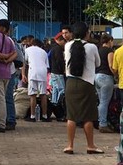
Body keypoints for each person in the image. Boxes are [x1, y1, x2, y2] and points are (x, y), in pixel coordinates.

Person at [62, 22, 103, 155]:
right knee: (88, 116)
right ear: (87, 33)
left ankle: (70, 145)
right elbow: (98, 63)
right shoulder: (92, 47)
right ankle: (90, 146)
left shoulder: (67, 45)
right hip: (86, 84)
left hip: (70, 83)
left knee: (71, 116)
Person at [23, 37, 50, 122]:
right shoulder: (44, 52)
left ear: (32, 44)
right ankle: (45, 116)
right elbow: (47, 66)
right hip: (43, 73)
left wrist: (23, 74)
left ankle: (32, 116)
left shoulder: (27, 50)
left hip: (33, 73)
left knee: (33, 95)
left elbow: (24, 63)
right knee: (43, 95)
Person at [95, 33, 117, 132]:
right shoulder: (109, 51)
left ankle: (100, 121)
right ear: (109, 41)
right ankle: (103, 124)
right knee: (104, 102)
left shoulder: (98, 50)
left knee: (101, 101)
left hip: (97, 76)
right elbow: (111, 65)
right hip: (106, 77)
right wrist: (116, 74)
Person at [48, 32, 67, 115]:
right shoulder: (58, 49)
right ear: (60, 40)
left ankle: (54, 106)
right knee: (62, 90)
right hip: (58, 73)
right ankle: (59, 106)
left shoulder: (53, 48)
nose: (65, 43)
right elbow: (60, 61)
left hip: (53, 72)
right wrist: (63, 70)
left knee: (55, 90)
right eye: (64, 41)